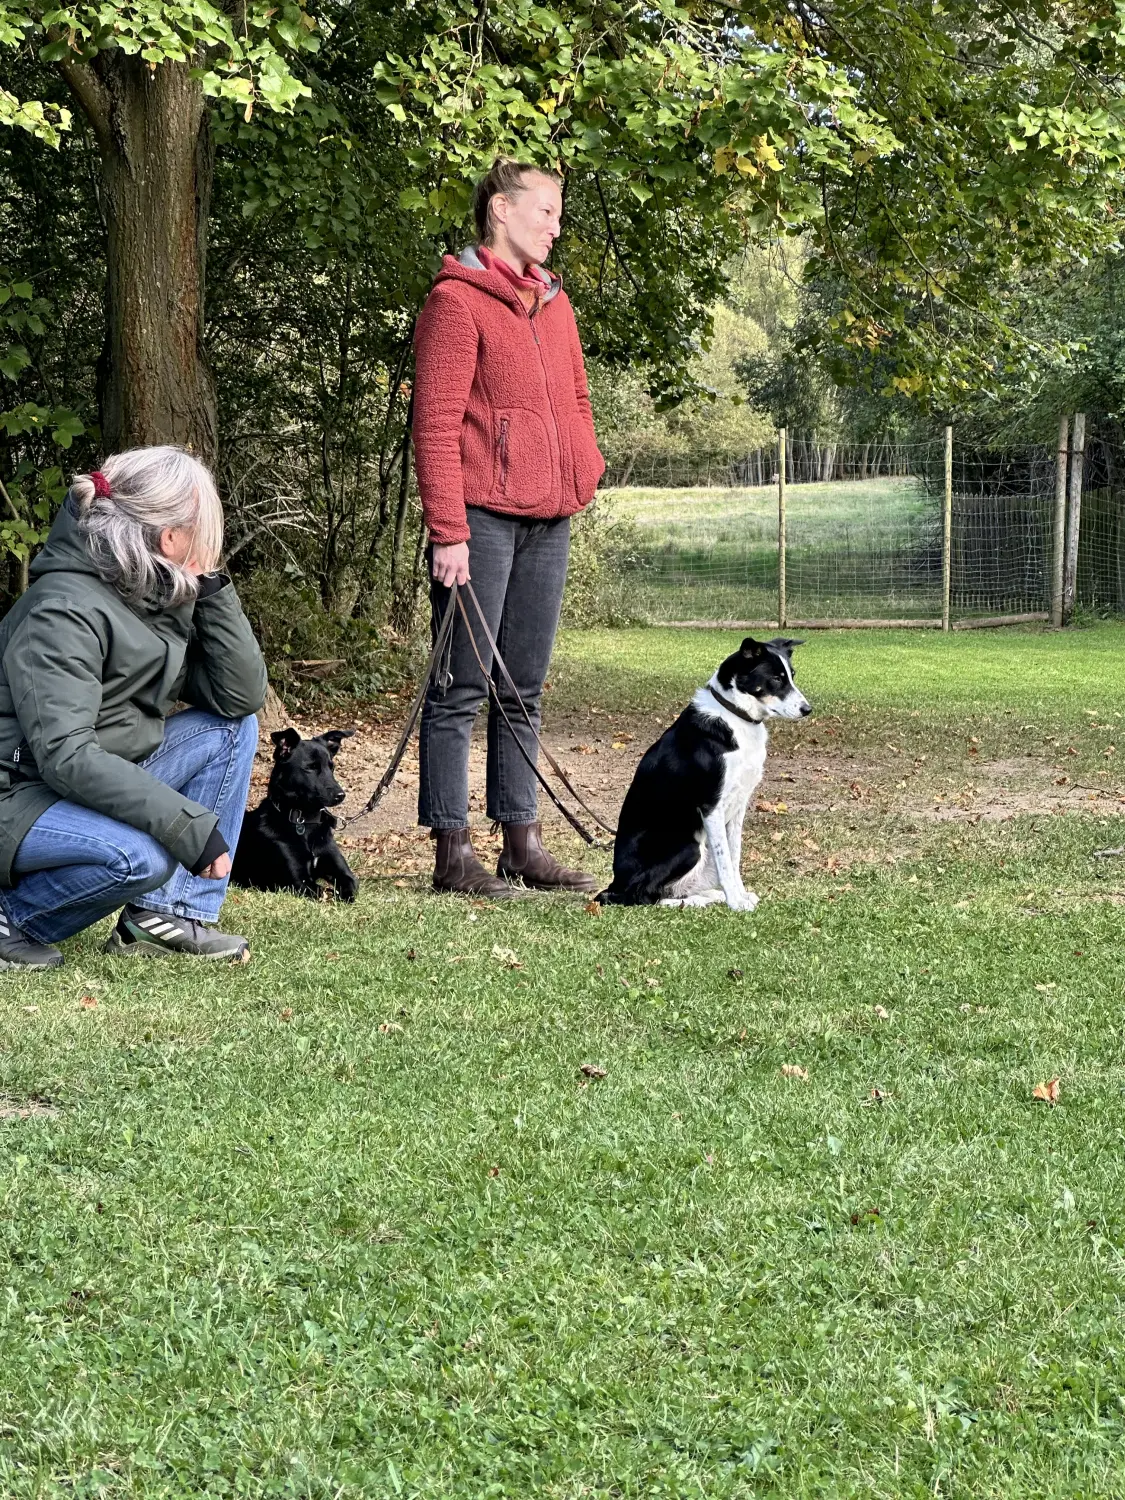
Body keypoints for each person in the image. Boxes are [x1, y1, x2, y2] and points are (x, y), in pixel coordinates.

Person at [412, 158, 606, 897]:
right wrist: (448, 530)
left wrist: (583, 468)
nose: (556, 225)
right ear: (500, 210)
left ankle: (520, 842)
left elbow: (578, 400)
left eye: (560, 212)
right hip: (480, 519)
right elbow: (433, 425)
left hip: (548, 515)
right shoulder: (456, 304)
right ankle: (451, 854)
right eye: (546, 210)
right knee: (460, 685)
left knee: (522, 688)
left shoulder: (555, 305)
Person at [0, 445, 267, 969]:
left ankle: (166, 915)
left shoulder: (147, 597)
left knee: (231, 730)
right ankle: (12, 917)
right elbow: (66, 756)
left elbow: (238, 696)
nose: (210, 545)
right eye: (204, 532)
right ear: (170, 537)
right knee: (137, 857)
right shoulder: (63, 609)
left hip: (75, 780)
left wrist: (209, 587)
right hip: (18, 794)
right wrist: (184, 825)